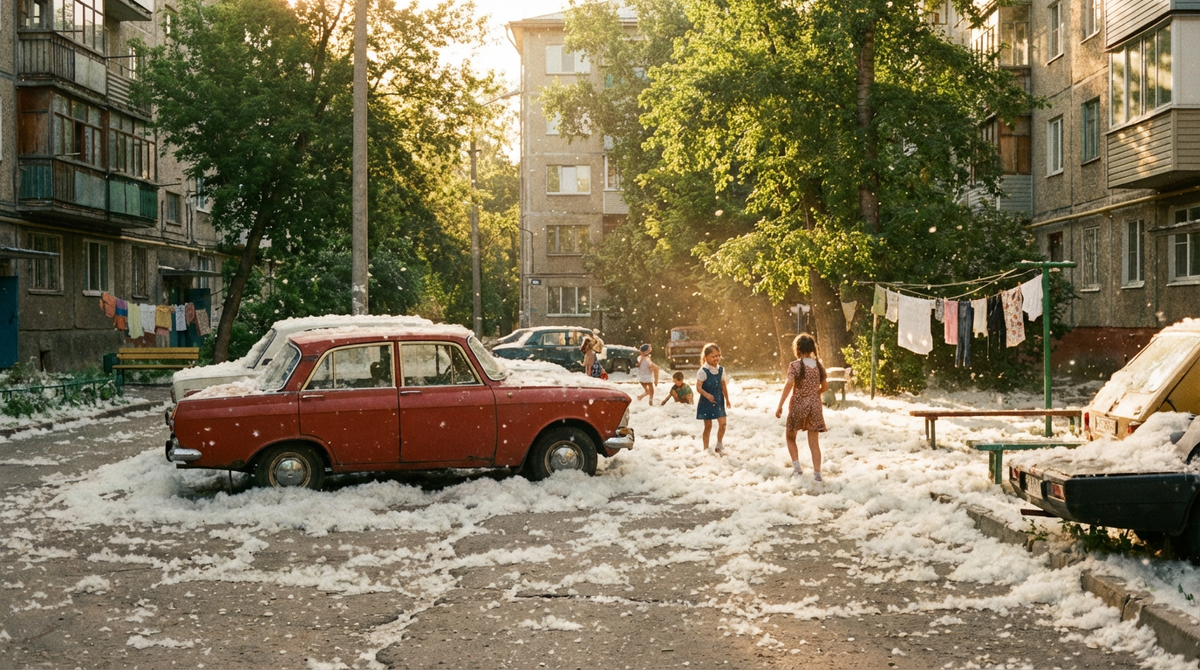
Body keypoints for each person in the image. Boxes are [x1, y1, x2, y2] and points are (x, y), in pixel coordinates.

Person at [775, 333, 829, 481]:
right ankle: (817, 475)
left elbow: (789, 384)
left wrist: (780, 405)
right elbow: (825, 387)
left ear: (797, 349)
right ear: (812, 348)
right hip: (815, 405)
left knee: (790, 436)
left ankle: (797, 469)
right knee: (814, 443)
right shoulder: (818, 365)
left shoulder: (795, 365)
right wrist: (814, 393)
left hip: (799, 404)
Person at [696, 343, 731, 454]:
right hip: (706, 402)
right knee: (708, 426)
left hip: (719, 400)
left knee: (723, 424)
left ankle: (719, 444)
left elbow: (723, 385)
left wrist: (727, 399)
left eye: (718, 355)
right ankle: (705, 449)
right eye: (713, 356)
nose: (716, 358)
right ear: (706, 357)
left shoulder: (721, 370)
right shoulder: (703, 371)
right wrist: (706, 395)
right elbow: (698, 387)